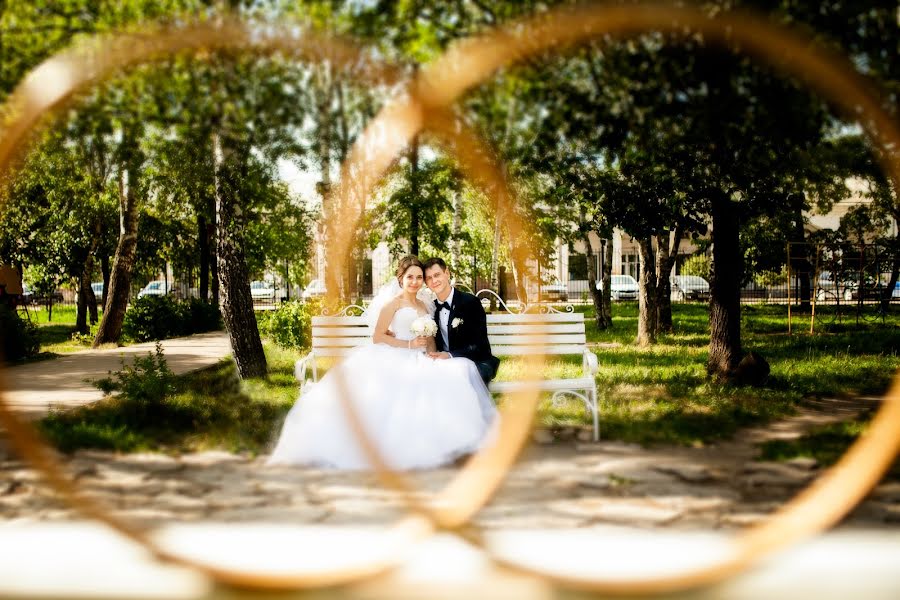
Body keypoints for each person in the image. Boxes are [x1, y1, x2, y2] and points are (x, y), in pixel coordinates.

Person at [266, 255, 497, 470]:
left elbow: (431, 338)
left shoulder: (427, 305)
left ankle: (451, 441)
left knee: (435, 382)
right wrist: (408, 345)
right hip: (397, 354)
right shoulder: (393, 304)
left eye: (420, 278)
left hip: (422, 357)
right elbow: (378, 337)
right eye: (411, 277)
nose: (416, 282)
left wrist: (432, 353)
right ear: (401, 279)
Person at [423, 257, 500, 385]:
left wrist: (450, 355)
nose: (434, 281)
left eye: (437, 275)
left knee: (456, 379)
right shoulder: (431, 308)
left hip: (477, 361)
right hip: (446, 364)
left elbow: (479, 346)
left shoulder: (470, 302)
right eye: (429, 278)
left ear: (447, 273)